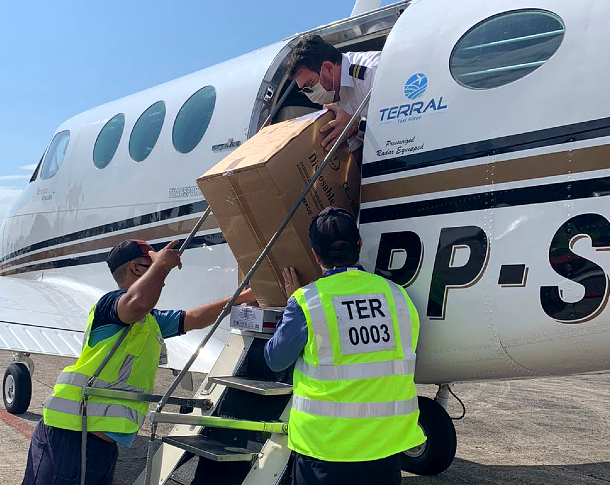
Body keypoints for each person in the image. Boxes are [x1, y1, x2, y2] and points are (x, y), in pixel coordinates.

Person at [22, 239, 256, 485]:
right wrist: (161, 266)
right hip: (68, 437)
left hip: (100, 447)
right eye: (150, 263)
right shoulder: (110, 305)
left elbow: (194, 318)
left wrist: (243, 297)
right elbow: (136, 304)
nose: (162, 275)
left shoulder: (149, 320)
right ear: (135, 268)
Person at [265, 207, 425, 485]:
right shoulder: (398, 297)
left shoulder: (308, 302)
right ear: (359, 244)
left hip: (324, 450)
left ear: (316, 255)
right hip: (384, 449)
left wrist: (292, 304)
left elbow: (275, 359)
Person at [287, 34, 380, 157]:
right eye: (305, 90)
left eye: (310, 85)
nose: (310, 94)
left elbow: (400, 127)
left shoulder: (372, 72)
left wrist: (357, 126)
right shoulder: (331, 102)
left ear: (328, 68)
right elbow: (356, 158)